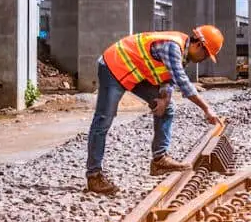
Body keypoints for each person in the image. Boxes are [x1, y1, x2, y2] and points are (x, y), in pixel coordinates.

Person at [85, 25, 224, 195]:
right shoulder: (173, 46)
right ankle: (94, 175)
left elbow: (168, 77)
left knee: (167, 108)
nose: (204, 60)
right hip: (114, 66)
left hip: (136, 73)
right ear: (199, 45)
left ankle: (159, 160)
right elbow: (182, 81)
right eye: (205, 55)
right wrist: (207, 108)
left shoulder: (183, 52)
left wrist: (165, 98)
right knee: (104, 120)